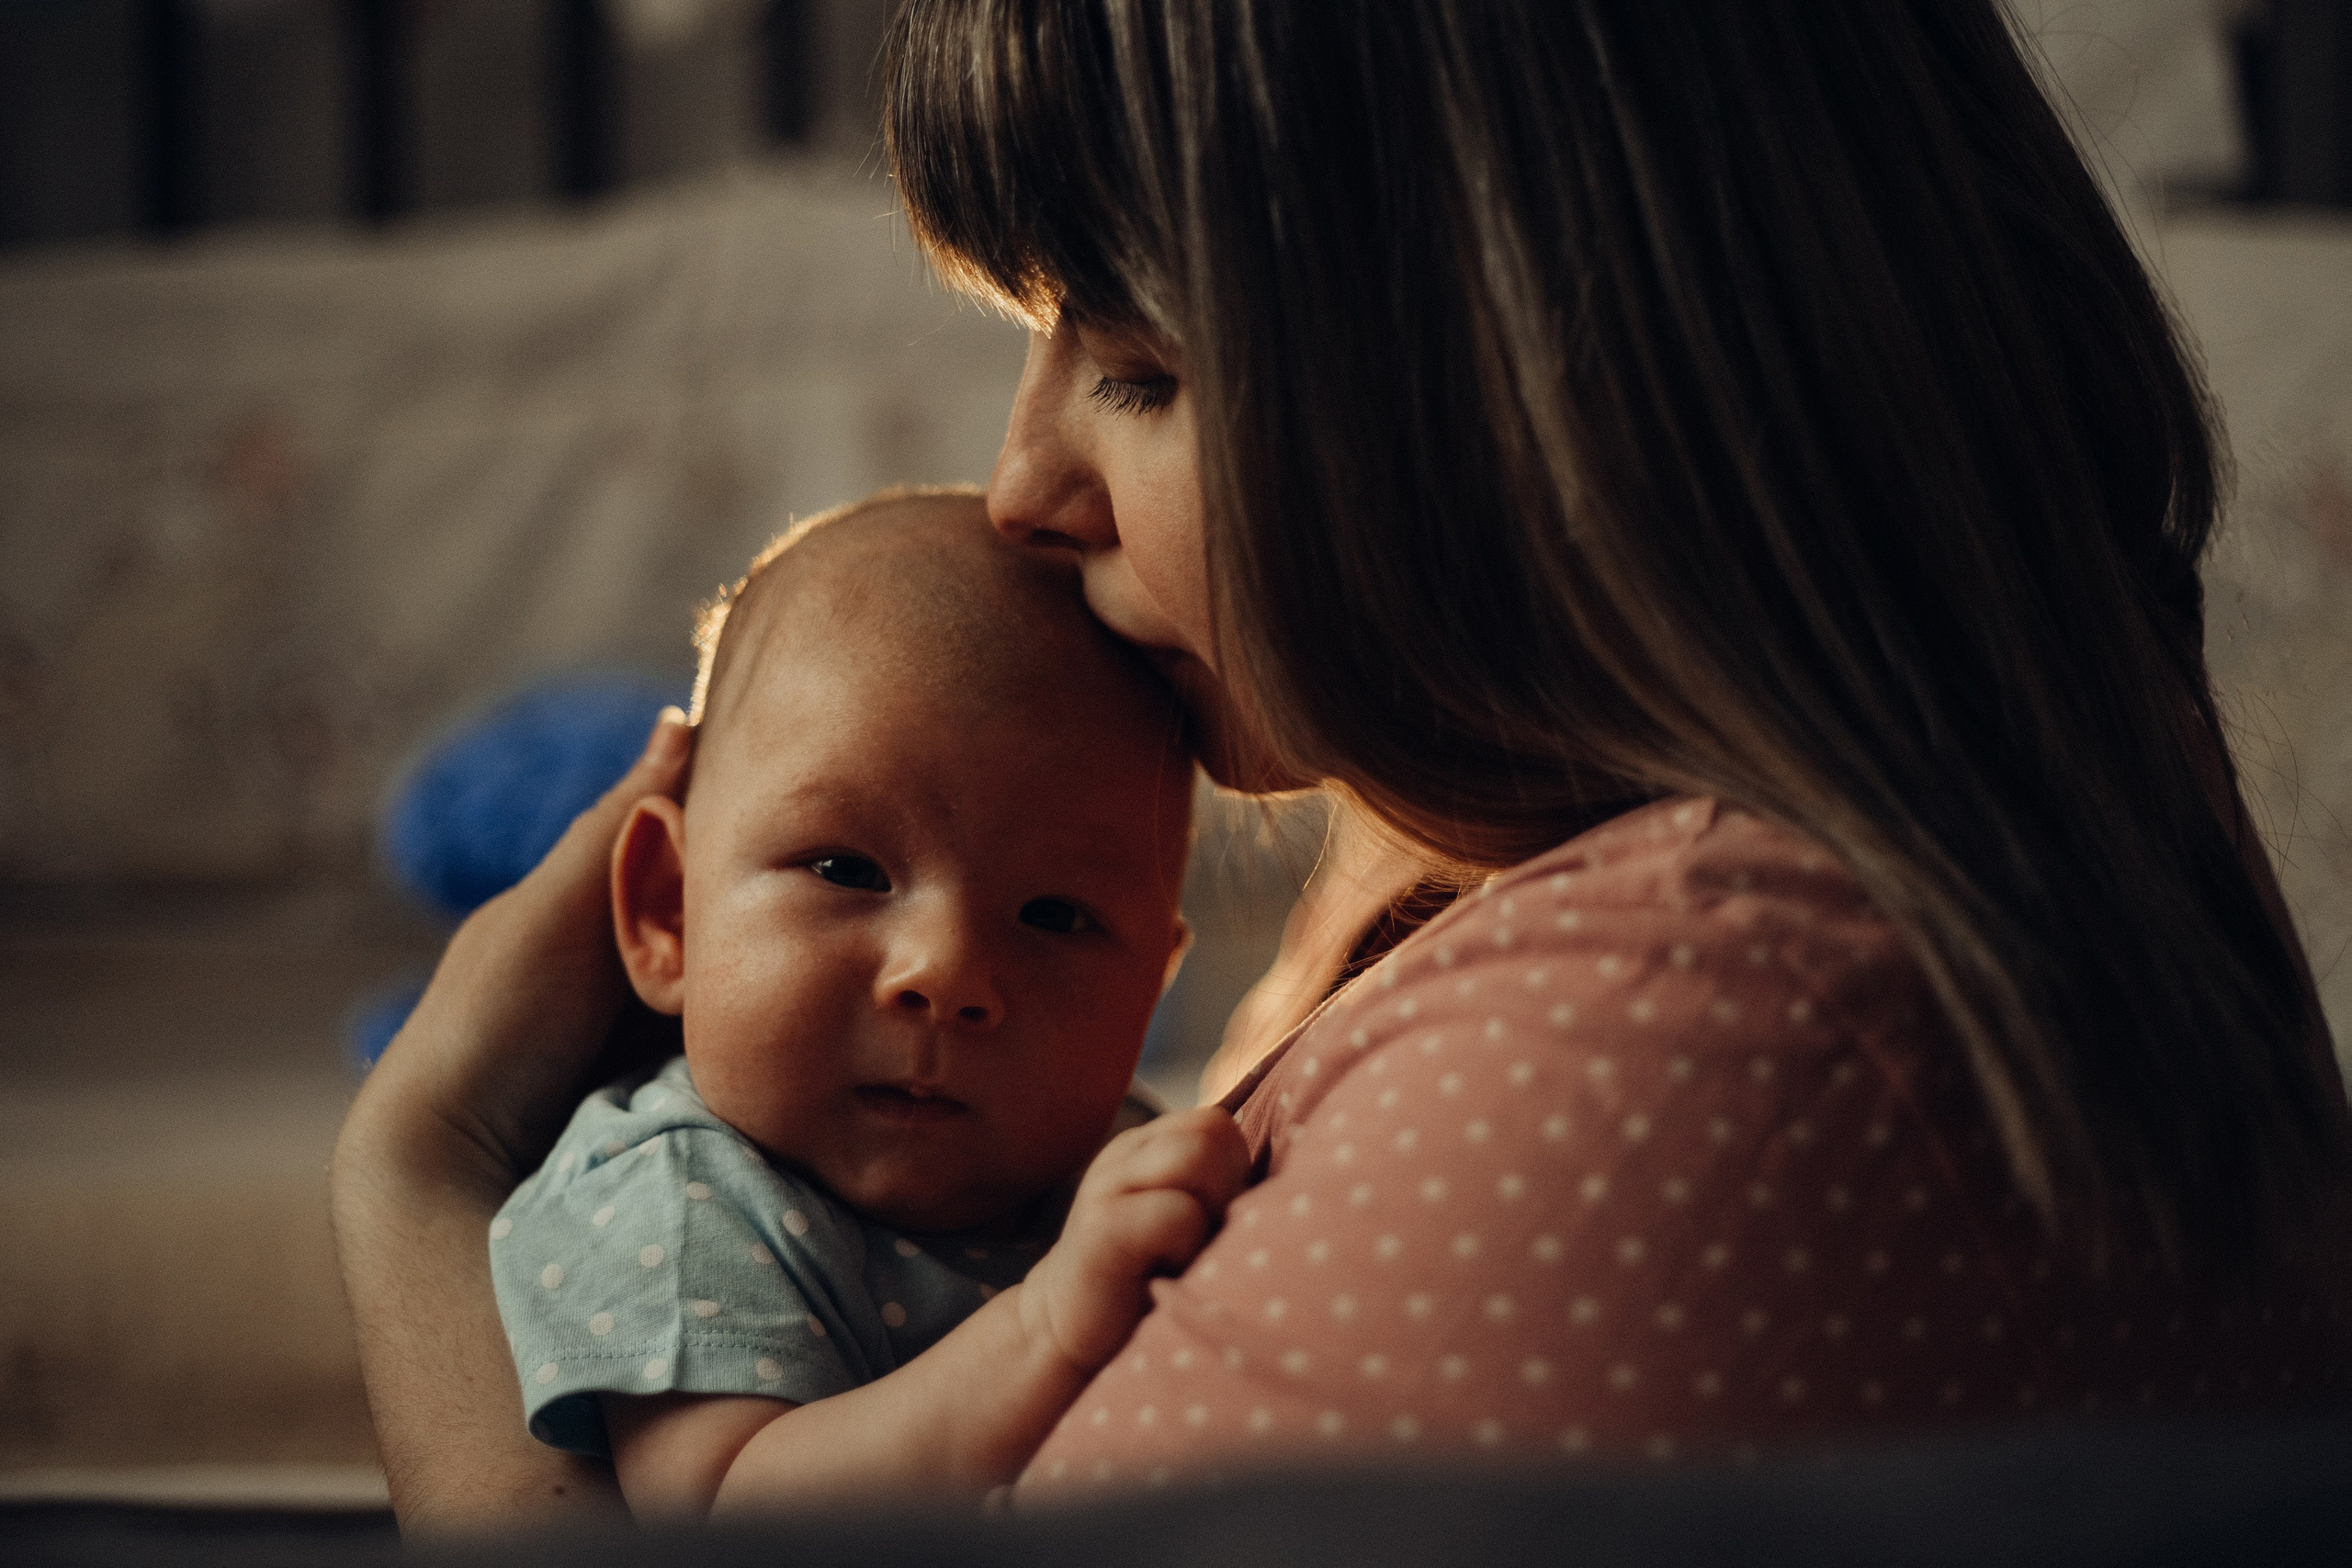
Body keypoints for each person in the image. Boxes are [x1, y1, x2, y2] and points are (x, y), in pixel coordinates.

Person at [332, 0, 2352, 1529]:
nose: (1021, 483)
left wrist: (422, 1176)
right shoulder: (1589, 845)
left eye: (1134, 364)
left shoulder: (1709, 1027)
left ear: (1524, 377)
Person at [484, 490, 1246, 1517]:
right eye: (847, 868)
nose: (946, 974)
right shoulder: (678, 1190)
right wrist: (1039, 1332)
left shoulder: (1112, 1165)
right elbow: (732, 1510)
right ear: (670, 912)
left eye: (1057, 915)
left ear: (1150, 978)